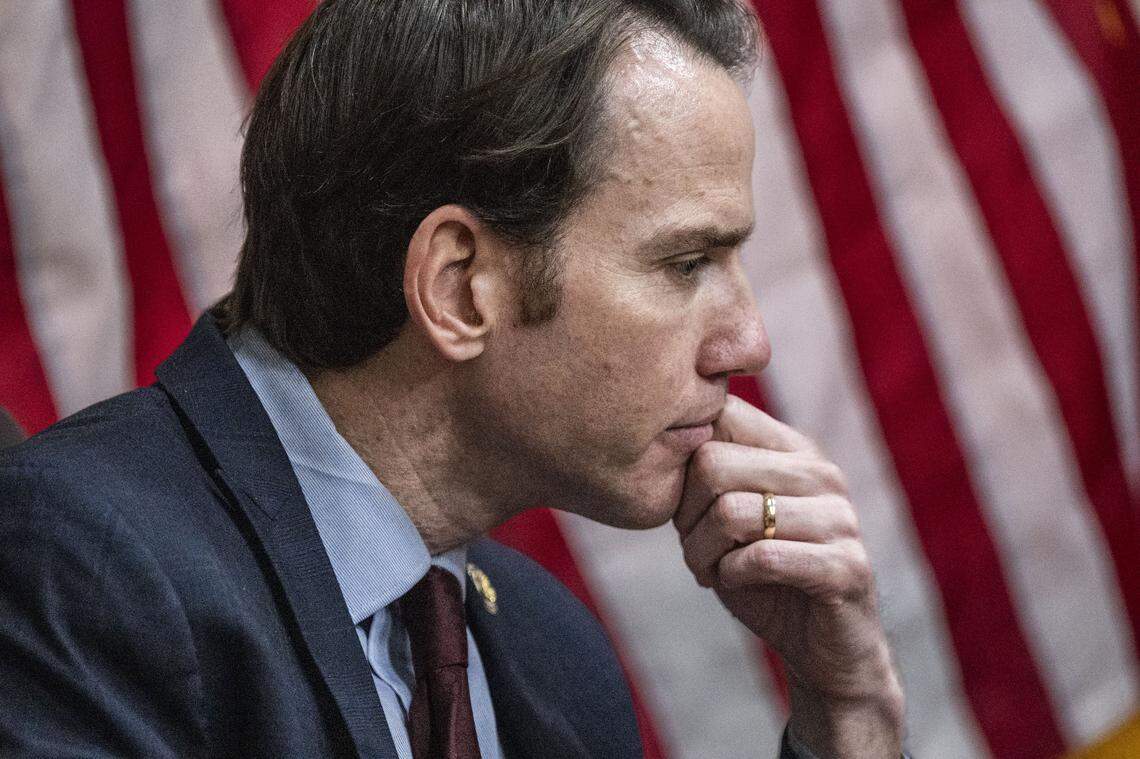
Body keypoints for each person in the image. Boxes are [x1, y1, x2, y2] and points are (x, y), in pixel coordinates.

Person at [0, 0, 907, 756]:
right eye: (686, 263)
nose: (748, 342)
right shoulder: (79, 564)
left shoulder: (554, 659)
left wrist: (850, 714)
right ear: (459, 285)